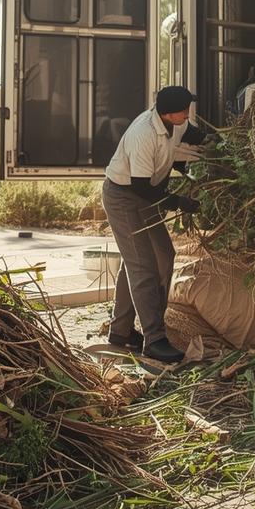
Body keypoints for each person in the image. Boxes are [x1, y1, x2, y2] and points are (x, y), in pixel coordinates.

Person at [101, 85, 207, 364]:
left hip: (147, 194)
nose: (188, 114)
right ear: (169, 113)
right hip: (125, 197)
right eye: (184, 110)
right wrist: (180, 203)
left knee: (163, 255)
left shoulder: (178, 124)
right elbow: (141, 188)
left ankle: (121, 331)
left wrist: (224, 150)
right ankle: (154, 339)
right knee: (143, 266)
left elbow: (200, 136)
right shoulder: (143, 134)